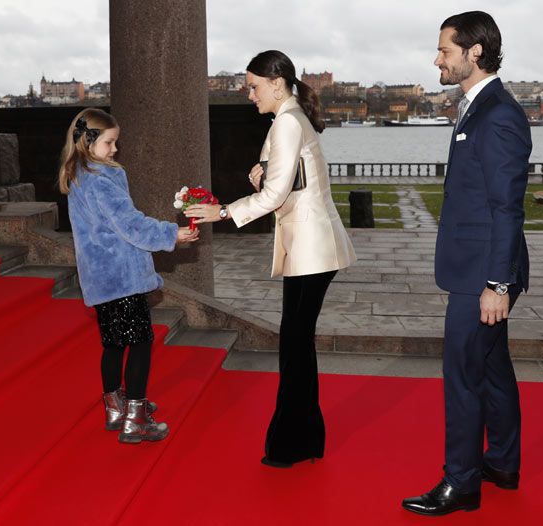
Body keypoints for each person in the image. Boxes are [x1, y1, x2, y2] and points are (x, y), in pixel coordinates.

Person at [185, 50, 356, 468]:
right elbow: (295, 178)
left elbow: (276, 196)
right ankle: (304, 441)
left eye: (253, 86)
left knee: (295, 346)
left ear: (276, 83)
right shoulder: (291, 119)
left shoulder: (286, 122)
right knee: (297, 344)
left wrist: (222, 211)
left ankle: (289, 445)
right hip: (310, 245)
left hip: (311, 248)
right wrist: (262, 170)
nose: (248, 94)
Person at [402, 11, 531, 515]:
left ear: (474, 52)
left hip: (483, 273)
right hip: (478, 266)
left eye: (445, 51)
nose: (437, 59)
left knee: (460, 374)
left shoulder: (498, 113)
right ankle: (501, 461)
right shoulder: (477, 107)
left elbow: (507, 207)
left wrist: (497, 284)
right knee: (492, 369)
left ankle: (461, 483)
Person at [59, 108, 199, 444]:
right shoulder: (100, 181)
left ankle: (114, 407)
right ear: (89, 141)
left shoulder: (79, 173)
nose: (115, 149)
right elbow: (131, 226)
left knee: (113, 343)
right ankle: (136, 418)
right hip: (121, 275)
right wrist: (172, 235)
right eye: (109, 142)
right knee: (140, 341)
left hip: (100, 277)